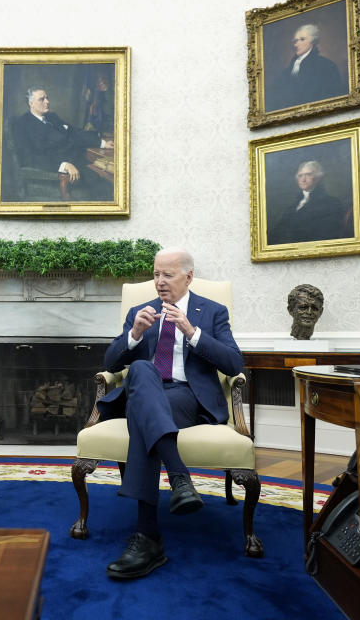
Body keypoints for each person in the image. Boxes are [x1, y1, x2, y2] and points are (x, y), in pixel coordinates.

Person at [98, 247, 243, 579]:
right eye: (156, 274)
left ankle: (147, 538)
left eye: (168, 275)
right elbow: (109, 363)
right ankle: (179, 478)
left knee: (143, 412)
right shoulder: (139, 311)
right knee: (140, 372)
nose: (159, 282)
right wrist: (134, 335)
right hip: (144, 391)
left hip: (185, 396)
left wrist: (192, 332)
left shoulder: (212, 312)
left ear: (188, 277)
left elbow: (234, 363)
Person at [11, 86, 115, 201]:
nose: (47, 102)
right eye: (42, 99)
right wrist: (63, 165)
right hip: (59, 172)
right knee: (105, 186)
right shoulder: (22, 125)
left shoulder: (52, 117)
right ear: (31, 103)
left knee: (109, 177)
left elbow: (74, 133)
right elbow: (29, 158)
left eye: (47, 98)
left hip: (79, 160)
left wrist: (102, 143)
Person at [267, 160, 352, 245]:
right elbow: (277, 232)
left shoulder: (331, 203)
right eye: (300, 176)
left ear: (319, 178)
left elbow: (328, 235)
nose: (303, 179)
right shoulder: (293, 206)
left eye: (308, 174)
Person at [266, 24, 346, 112]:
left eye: (302, 39)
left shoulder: (326, 66)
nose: (296, 44)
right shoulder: (288, 71)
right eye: (295, 41)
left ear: (313, 41)